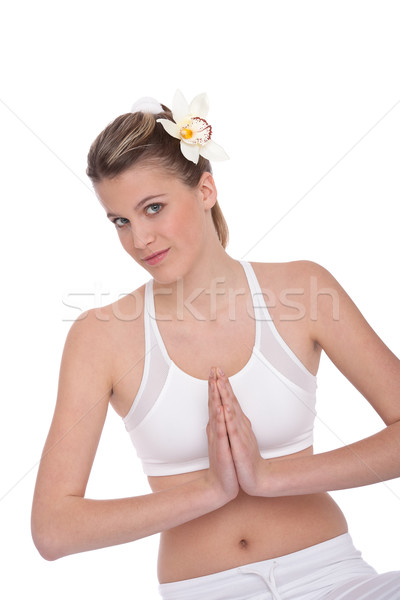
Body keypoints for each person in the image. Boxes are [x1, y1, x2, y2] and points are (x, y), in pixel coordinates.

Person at [31, 90, 400, 599]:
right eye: (121, 221)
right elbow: (54, 528)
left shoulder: (304, 291)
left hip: (333, 576)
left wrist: (269, 477)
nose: (139, 239)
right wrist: (211, 490)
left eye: (153, 208)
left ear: (206, 190)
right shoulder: (100, 336)